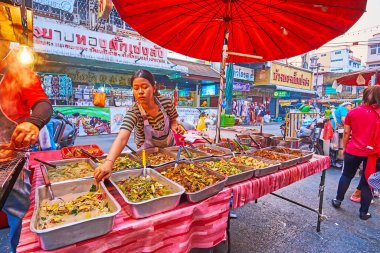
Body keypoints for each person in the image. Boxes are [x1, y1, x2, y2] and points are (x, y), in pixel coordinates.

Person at [0, 42, 53, 252]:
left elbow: (43, 104)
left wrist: (34, 121)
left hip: (11, 163)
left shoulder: (17, 74)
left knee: (19, 219)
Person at [94, 70, 183, 181]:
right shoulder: (134, 112)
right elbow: (122, 138)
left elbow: (173, 119)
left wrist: (174, 125)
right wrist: (108, 162)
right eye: (136, 88)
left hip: (169, 149)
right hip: (147, 154)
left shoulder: (166, 102)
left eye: (145, 87)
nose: (140, 91)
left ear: (154, 88)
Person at [331, 86, 380, 220]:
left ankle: (338, 200)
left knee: (347, 175)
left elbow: (346, 133)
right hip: (373, 154)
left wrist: (345, 148)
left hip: (353, 150)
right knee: (367, 182)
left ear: (364, 96)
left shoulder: (352, 112)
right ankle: (364, 213)